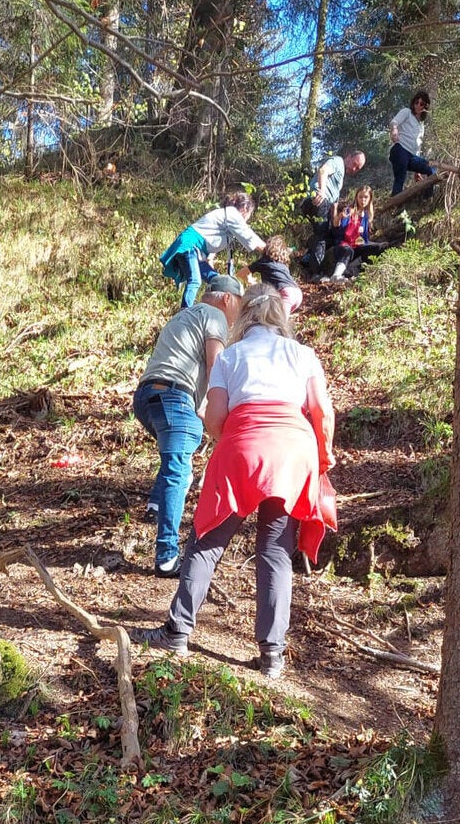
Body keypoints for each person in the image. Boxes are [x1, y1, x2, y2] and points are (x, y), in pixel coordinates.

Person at [137, 286, 336, 680]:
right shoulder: (303, 355)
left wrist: (237, 435)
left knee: (207, 539)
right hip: (293, 451)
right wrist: (323, 456)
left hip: (242, 445)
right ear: (282, 318)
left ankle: (177, 631)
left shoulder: (230, 355)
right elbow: (322, 412)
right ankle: (272, 655)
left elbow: (214, 418)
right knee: (276, 551)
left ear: (243, 317)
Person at [134, 274, 244, 577]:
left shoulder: (184, 315)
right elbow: (216, 366)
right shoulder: (216, 316)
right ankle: (167, 557)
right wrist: (221, 408)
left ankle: (156, 506)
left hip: (146, 397)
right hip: (174, 396)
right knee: (179, 472)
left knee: (174, 460)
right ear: (227, 298)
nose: (237, 315)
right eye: (239, 305)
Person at [159, 190, 265, 308]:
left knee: (216, 280)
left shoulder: (225, 220)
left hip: (198, 252)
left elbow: (211, 252)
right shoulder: (232, 214)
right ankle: (185, 312)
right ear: (245, 208)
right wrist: (270, 250)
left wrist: (212, 274)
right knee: (195, 281)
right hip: (190, 245)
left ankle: (213, 309)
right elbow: (249, 236)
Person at [301, 150, 366, 279]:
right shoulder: (338, 161)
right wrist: (321, 191)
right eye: (354, 164)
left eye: (357, 168)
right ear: (348, 156)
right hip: (317, 200)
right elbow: (323, 171)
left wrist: (336, 221)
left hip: (324, 204)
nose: (354, 169)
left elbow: (335, 203)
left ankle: (307, 258)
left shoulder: (340, 179)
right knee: (321, 234)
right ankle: (315, 273)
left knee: (326, 232)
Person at [324, 185, 386, 281]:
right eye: (360, 197)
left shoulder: (366, 215)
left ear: (370, 199)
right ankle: (336, 275)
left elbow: (364, 238)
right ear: (356, 197)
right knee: (348, 250)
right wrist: (340, 216)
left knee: (380, 247)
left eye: (366, 197)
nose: (363, 200)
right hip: (344, 244)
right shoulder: (349, 210)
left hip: (359, 245)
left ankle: (349, 273)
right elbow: (336, 225)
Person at [389, 89, 435, 196]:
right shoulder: (407, 112)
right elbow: (394, 122)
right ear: (413, 103)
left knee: (431, 169)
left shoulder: (421, 125)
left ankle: (427, 199)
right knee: (400, 179)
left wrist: (417, 171)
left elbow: (418, 146)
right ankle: (395, 206)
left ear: (425, 107)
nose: (418, 105)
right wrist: (395, 130)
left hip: (412, 156)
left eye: (421, 104)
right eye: (416, 102)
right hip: (400, 149)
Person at [248, 234, 303, 314]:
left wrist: (251, 281)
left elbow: (242, 273)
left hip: (285, 293)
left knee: (279, 322)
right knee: (275, 319)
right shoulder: (282, 264)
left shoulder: (264, 262)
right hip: (297, 293)